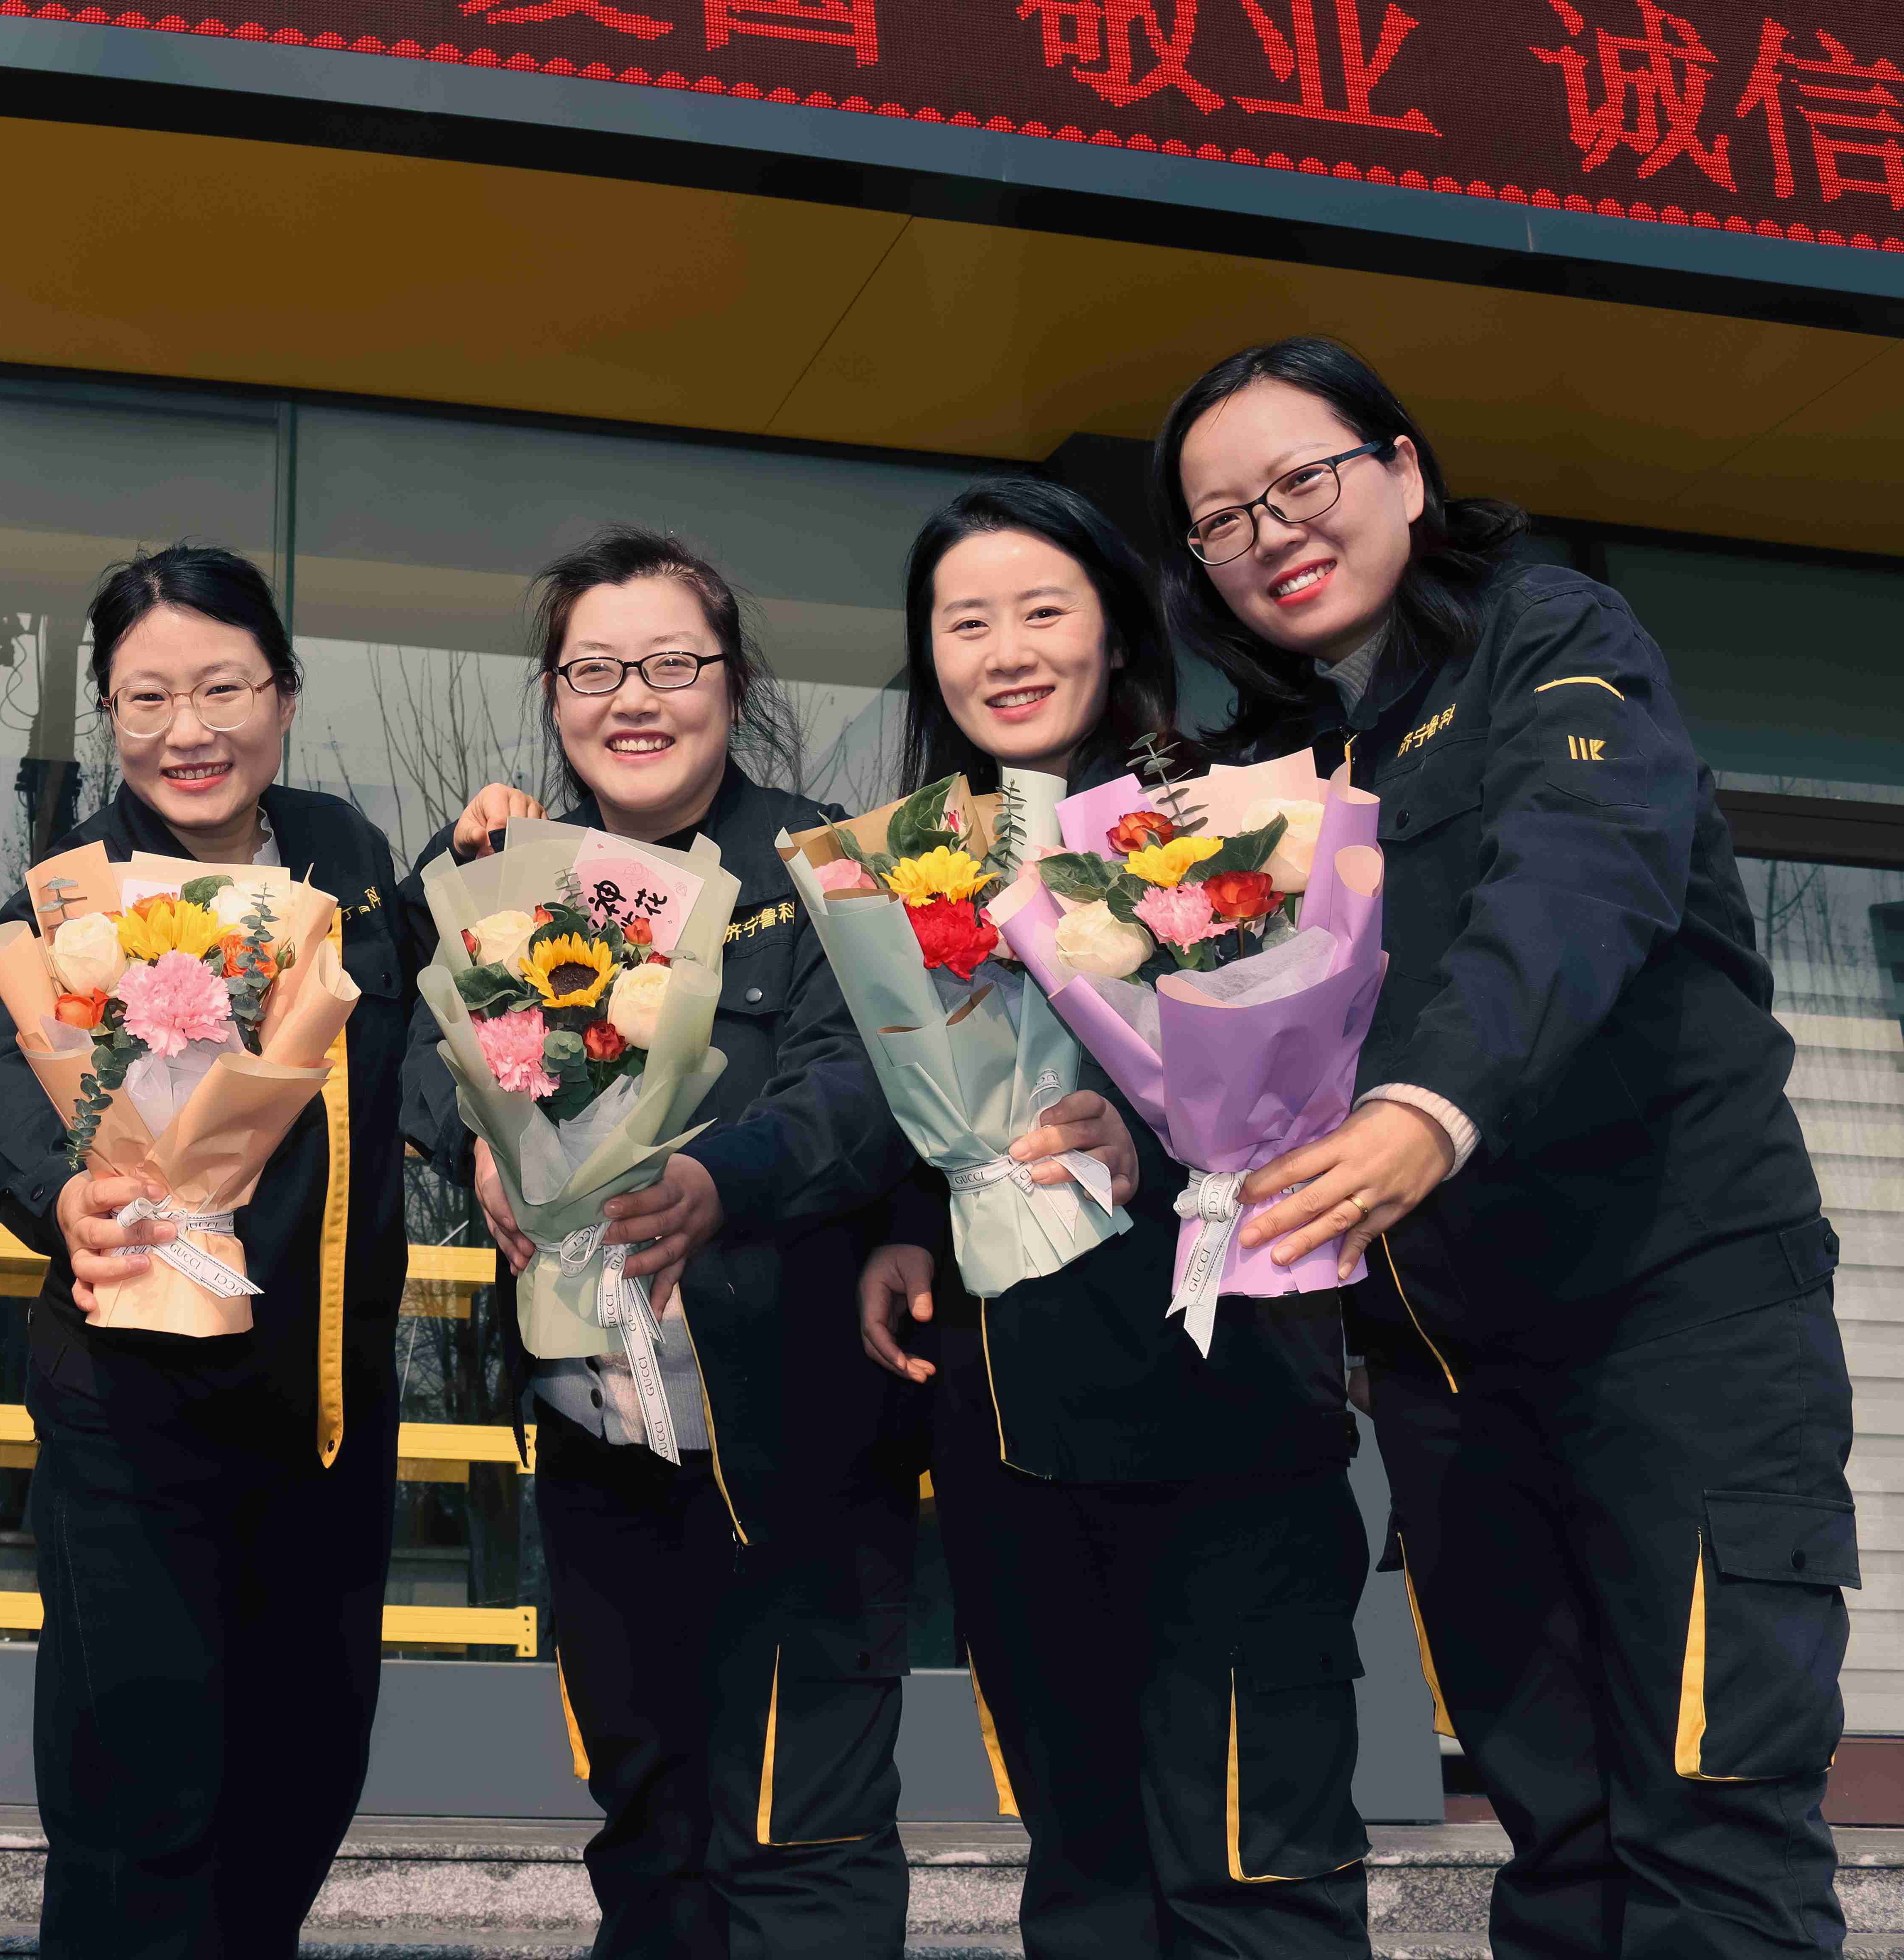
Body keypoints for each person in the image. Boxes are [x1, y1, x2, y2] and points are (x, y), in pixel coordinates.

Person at [1160, 336, 1854, 1957]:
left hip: (1677, 1328)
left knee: (1714, 1825)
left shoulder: (1554, 635)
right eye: (1223, 520)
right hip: (1447, 1376)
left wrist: (1429, 1106)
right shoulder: (1249, 777)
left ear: (1404, 472)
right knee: (1557, 1836)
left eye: (1302, 482)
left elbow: (1579, 877)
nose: (1272, 534)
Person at [855, 478, 1371, 1958]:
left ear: (1119, 631)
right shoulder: (909, 859)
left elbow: (1313, 1076)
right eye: (966, 623)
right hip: (1013, 1441)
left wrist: (1147, 1135)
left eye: (1044, 611)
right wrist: (906, 1216)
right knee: (1085, 1878)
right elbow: (898, 1092)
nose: (1006, 652)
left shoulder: (1220, 817)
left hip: (1226, 1421)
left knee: (1254, 1877)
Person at [408, 527, 922, 1958]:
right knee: (646, 1820)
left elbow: (859, 1084)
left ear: (734, 682)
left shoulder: (821, 862)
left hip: (793, 1433)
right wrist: (473, 1135)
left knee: (802, 1833)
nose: (633, 700)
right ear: (555, 696)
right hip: (599, 1437)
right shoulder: (502, 873)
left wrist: (718, 1181)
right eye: (594, 671)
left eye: (673, 665)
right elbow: (397, 1041)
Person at [0, 543, 426, 1960]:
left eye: (224, 688)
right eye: (147, 698)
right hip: (131, 1415)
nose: (189, 731)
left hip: (327, 1405)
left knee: (305, 1776)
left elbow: (426, 1031)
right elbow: (0, 1084)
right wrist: (59, 1195)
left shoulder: (347, 855)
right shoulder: (68, 895)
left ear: (284, 694)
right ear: (109, 714)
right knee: (139, 1802)